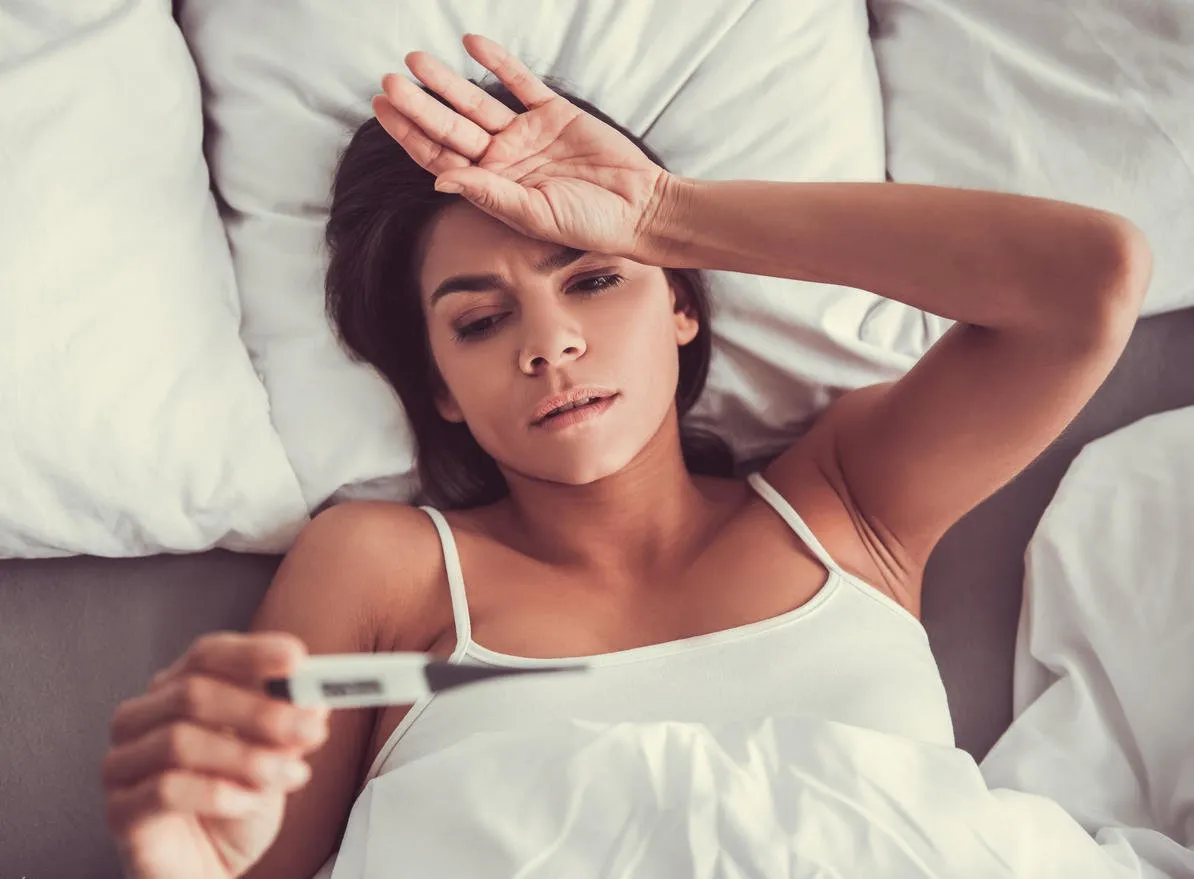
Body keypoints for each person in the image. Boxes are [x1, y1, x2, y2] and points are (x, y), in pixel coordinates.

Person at [100, 32, 1150, 879]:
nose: (549, 343)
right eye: (479, 322)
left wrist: (663, 213)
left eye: (595, 280)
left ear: (683, 305)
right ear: (440, 394)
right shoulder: (384, 572)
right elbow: (234, 857)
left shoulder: (843, 502)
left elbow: (1092, 282)